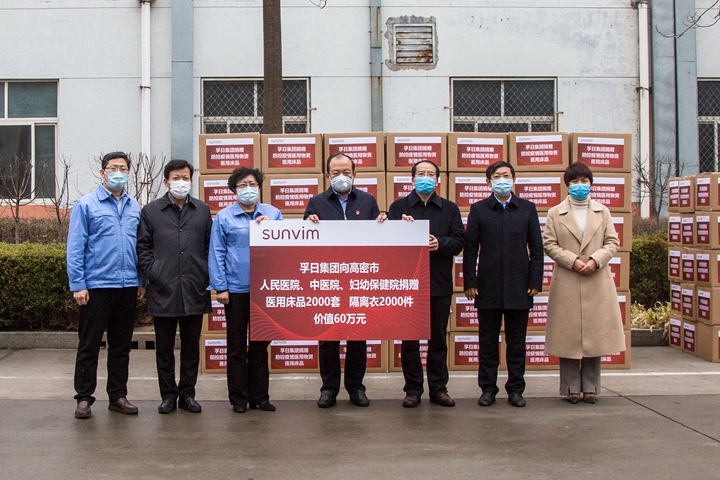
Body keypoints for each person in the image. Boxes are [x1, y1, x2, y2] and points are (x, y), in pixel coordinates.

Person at [304, 153, 387, 408]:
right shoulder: (316, 202)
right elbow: (304, 242)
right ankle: (329, 389)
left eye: (346, 172)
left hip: (359, 278)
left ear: (355, 174)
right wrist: (308, 223)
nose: (342, 177)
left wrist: (383, 222)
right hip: (328, 279)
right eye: (336, 173)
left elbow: (379, 239)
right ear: (327, 175)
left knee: (357, 336)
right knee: (328, 337)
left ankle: (356, 388)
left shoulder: (367, 200)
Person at [67, 151, 145, 419]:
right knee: (89, 344)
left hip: (127, 286)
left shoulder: (134, 206)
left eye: (123, 168)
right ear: (102, 172)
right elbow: (75, 247)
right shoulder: (86, 205)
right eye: (113, 168)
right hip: (96, 286)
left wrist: (140, 280)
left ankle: (118, 396)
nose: (118, 173)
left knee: (121, 346)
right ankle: (84, 398)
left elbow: (139, 246)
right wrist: (78, 284)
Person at [543, 163, 626, 404]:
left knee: (594, 336)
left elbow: (612, 242)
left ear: (591, 184)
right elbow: (549, 244)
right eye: (574, 181)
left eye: (584, 181)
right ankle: (570, 387)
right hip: (568, 278)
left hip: (596, 278)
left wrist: (595, 260)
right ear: (567, 185)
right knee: (567, 336)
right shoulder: (555, 213)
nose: (579, 185)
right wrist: (572, 261)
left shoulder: (603, 211)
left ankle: (591, 387)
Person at [463, 161, 543, 408]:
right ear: (488, 182)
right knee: (487, 343)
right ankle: (488, 389)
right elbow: (470, 248)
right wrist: (470, 281)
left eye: (506, 176)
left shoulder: (527, 209)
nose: (502, 180)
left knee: (517, 344)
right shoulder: (479, 209)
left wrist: (535, 280)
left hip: (520, 285)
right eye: (497, 176)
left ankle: (515, 389)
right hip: (488, 285)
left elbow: (537, 248)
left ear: (514, 179)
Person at [137, 159, 213, 414]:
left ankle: (187, 394)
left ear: (192, 180)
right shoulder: (151, 211)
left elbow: (209, 246)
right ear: (166, 181)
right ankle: (168, 395)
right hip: (164, 289)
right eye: (176, 178)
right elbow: (143, 247)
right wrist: (155, 272)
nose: (181, 182)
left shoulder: (202, 210)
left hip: (194, 288)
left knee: (191, 349)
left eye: (185, 178)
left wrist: (204, 272)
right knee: (164, 349)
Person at [388, 160, 465, 408]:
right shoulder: (398, 207)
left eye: (430, 174)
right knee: (410, 340)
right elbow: (387, 244)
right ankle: (413, 389)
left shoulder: (449, 209)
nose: (425, 177)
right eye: (420, 174)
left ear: (437, 180)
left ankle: (438, 388)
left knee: (437, 339)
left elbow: (459, 241)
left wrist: (439, 243)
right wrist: (401, 230)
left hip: (438, 282)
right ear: (412, 180)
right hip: (408, 284)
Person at [209, 167, 281, 414]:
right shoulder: (224, 217)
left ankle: (260, 397)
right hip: (235, 290)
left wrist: (272, 228)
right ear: (234, 190)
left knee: (260, 345)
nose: (248, 189)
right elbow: (217, 252)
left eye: (252, 184)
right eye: (242, 185)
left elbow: (285, 248)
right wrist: (221, 287)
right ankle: (238, 398)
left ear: (259, 187)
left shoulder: (273, 213)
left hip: (264, 289)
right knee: (236, 346)